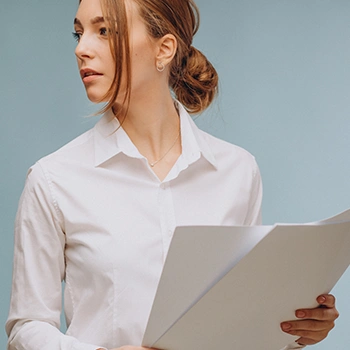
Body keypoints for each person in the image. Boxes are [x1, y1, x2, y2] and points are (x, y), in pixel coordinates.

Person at [6, 0, 339, 349]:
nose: (81, 49)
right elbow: (25, 328)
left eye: (104, 31)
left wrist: (296, 330)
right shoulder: (53, 180)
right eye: (78, 33)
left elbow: (242, 322)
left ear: (164, 49)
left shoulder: (237, 171)